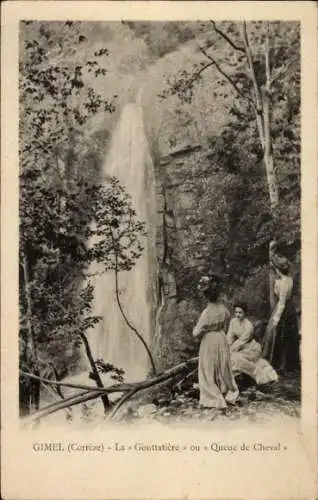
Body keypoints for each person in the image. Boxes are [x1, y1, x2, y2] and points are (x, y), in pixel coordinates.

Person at [193, 275, 239, 409]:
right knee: (222, 366)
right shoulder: (223, 308)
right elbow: (227, 320)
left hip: (209, 340)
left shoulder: (206, 312)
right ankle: (228, 391)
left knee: (208, 368)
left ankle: (213, 398)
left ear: (205, 295)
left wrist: (200, 330)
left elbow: (196, 333)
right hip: (221, 337)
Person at [263, 249, 300, 372]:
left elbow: (282, 302)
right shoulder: (286, 278)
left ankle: (280, 364)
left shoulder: (284, 282)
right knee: (285, 335)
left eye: (274, 267)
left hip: (284, 309)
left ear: (278, 269)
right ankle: (286, 363)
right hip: (288, 307)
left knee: (278, 334)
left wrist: (276, 319)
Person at [227, 302, 278, 385]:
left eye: (240, 313)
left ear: (245, 313)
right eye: (236, 312)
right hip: (239, 347)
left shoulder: (248, 325)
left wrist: (230, 350)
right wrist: (227, 345)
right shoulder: (233, 322)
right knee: (230, 357)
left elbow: (242, 341)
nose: (237, 315)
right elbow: (229, 336)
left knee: (236, 359)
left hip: (251, 348)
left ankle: (259, 374)